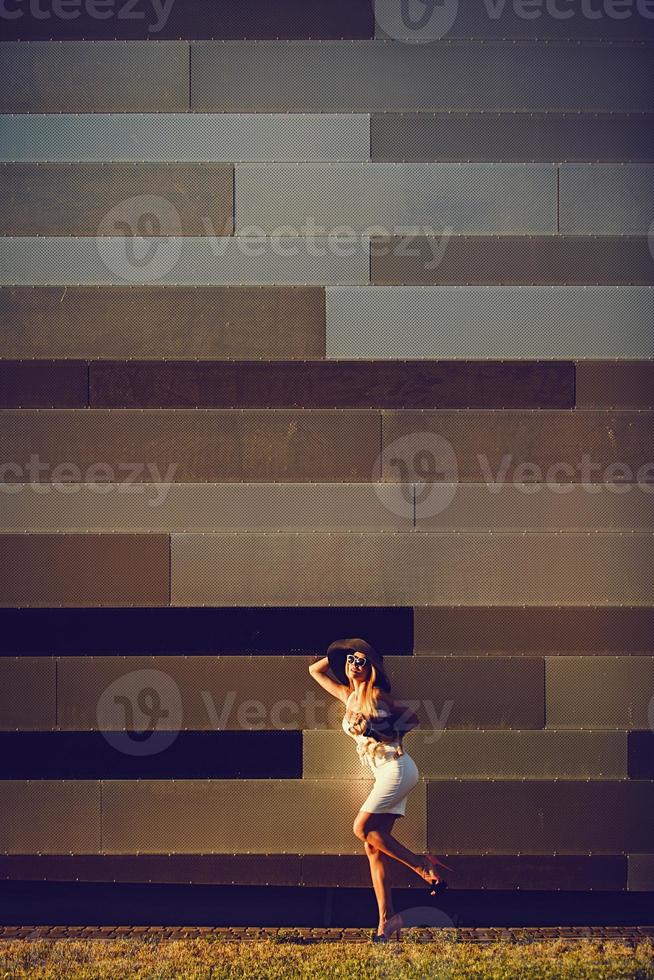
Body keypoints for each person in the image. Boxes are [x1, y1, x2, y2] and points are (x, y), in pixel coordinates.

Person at [309, 637, 452, 942]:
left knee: (361, 828)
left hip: (397, 769)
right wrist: (344, 649)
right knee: (373, 846)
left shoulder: (378, 696)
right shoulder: (347, 695)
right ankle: (387, 920)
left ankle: (423, 866)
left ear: (372, 667)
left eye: (361, 661)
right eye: (350, 661)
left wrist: (376, 729)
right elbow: (315, 671)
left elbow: (412, 720)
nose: (354, 665)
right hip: (382, 773)